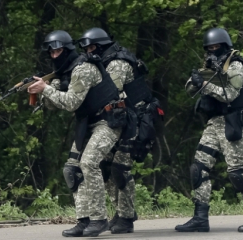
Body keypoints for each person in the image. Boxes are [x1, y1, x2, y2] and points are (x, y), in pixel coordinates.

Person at [27, 30, 125, 237]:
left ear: (68, 49)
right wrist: (46, 90)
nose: (55, 56)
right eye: (51, 53)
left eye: (59, 51)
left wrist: (45, 88)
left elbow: (71, 103)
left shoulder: (83, 69)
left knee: (89, 163)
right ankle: (84, 220)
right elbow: (54, 105)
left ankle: (99, 220)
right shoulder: (65, 72)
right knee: (72, 169)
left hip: (108, 121)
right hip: (88, 123)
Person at [175, 28, 243, 233]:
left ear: (224, 46)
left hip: (233, 122)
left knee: (237, 173)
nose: (212, 51)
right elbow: (190, 89)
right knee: (198, 168)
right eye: (209, 48)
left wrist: (205, 85)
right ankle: (200, 217)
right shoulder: (210, 66)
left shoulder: (236, 66)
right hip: (214, 123)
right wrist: (196, 81)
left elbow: (230, 95)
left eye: (215, 47)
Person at [78, 27, 158, 234]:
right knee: (106, 166)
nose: (88, 52)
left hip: (137, 119)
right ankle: (123, 212)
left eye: (92, 47)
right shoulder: (103, 61)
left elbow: (110, 91)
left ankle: (126, 217)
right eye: (85, 49)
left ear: (102, 46)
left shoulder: (118, 63)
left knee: (120, 168)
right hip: (120, 119)